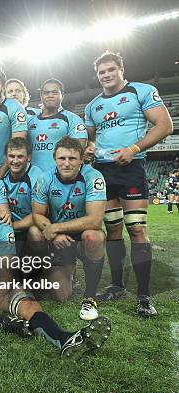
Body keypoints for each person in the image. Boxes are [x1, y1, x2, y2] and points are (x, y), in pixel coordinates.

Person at [0, 180, 111, 360]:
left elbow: (8, 272)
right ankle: (5, 323)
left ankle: (65, 339)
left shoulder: (0, 224)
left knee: (30, 306)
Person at [84, 51, 173, 317]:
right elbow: (90, 140)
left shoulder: (141, 91)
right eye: (101, 72)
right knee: (112, 229)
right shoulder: (92, 106)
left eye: (111, 69)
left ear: (121, 69)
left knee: (136, 229)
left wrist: (133, 149)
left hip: (131, 168)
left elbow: (165, 125)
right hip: (104, 172)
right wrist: (89, 149)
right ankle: (117, 285)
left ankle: (144, 295)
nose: (106, 75)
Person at [31, 137, 107, 320]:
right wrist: (53, 233)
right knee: (61, 296)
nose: (66, 163)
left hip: (81, 238)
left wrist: (55, 228)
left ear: (81, 159)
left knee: (93, 236)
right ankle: (48, 273)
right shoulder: (45, 178)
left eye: (72, 159)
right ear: (54, 159)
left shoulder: (93, 176)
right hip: (59, 243)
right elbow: (37, 214)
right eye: (62, 158)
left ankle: (90, 296)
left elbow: (95, 220)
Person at [27, 78, 87, 172]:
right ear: (41, 96)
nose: (50, 95)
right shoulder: (30, 121)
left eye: (54, 92)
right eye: (46, 93)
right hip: (33, 178)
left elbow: (78, 151)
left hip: (60, 179)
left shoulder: (73, 119)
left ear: (62, 95)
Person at [0, 138, 43, 258]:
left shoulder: (36, 176)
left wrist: (12, 227)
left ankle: (42, 268)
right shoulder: (2, 176)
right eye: (11, 156)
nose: (15, 161)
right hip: (11, 230)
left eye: (20, 156)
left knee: (35, 233)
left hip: (29, 227)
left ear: (28, 157)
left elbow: (39, 215)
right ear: (6, 157)